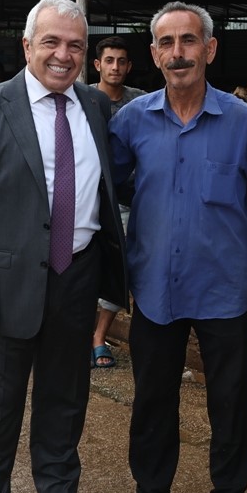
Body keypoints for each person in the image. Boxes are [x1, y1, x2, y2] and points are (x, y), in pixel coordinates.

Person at [0, 0, 127, 493]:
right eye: (51, 42)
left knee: (65, 398)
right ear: (27, 47)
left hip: (75, 278)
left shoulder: (97, 107)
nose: (63, 54)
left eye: (75, 45)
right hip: (4, 287)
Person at [107, 3, 247, 493]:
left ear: (210, 49)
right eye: (167, 43)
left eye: (188, 41)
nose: (178, 53)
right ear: (154, 54)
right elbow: (118, 188)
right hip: (154, 286)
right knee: (152, 399)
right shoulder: (131, 122)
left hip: (224, 289)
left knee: (230, 403)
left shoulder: (245, 123)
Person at [89, 35, 145, 369]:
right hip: (88, 199)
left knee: (120, 267)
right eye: (109, 61)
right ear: (97, 65)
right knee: (85, 268)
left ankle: (98, 337)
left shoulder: (140, 101)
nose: (115, 67)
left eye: (121, 61)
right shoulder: (84, 99)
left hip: (127, 199)